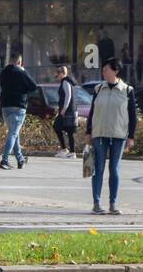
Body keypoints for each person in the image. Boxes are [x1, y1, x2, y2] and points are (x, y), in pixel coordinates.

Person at [86, 58, 137, 215]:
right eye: (103, 70)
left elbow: (132, 115)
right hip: (99, 134)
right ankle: (96, 203)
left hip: (118, 135)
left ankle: (113, 204)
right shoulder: (98, 89)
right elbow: (92, 112)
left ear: (116, 71)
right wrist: (88, 132)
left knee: (114, 169)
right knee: (97, 169)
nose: (104, 72)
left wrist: (131, 136)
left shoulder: (127, 90)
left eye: (106, 69)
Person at [0, 54, 38, 170]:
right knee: (13, 133)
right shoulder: (21, 72)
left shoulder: (3, 72)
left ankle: (20, 159)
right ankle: (4, 160)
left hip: (5, 105)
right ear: (19, 61)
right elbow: (33, 86)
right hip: (18, 106)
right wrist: (23, 72)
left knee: (14, 132)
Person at [53, 65, 78, 158]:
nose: (57, 76)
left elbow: (68, 96)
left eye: (58, 74)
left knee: (59, 127)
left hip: (67, 111)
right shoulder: (68, 81)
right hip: (70, 110)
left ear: (62, 73)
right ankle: (66, 150)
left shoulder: (65, 82)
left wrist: (64, 109)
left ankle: (71, 151)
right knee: (65, 129)